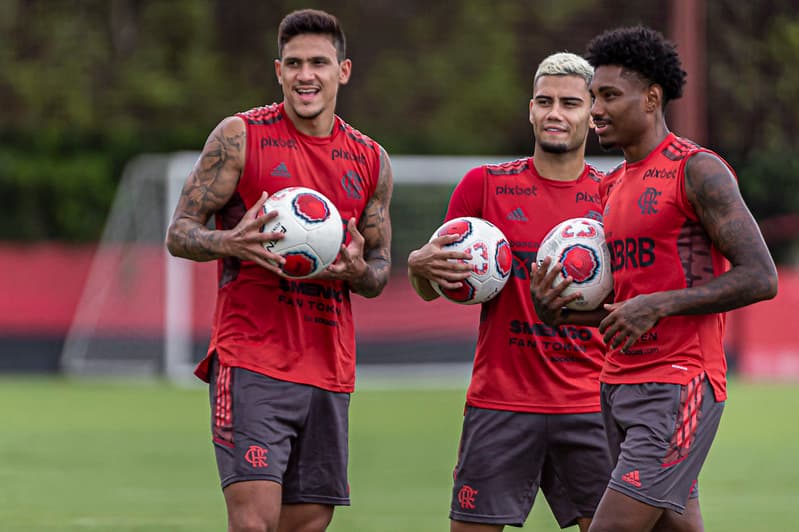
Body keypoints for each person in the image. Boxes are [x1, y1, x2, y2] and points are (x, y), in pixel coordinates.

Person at [530, 26, 778, 532]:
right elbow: (628, 306)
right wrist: (559, 313)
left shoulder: (697, 170)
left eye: (609, 96)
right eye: (594, 96)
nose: (596, 110)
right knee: (672, 527)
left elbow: (760, 276)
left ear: (651, 97)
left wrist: (659, 304)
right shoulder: (612, 186)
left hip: (680, 384)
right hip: (617, 383)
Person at [165, 9, 393, 532]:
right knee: (253, 523)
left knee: (309, 522)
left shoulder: (371, 160)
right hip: (252, 359)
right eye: (293, 63)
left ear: (343, 71)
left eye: (318, 63)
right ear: (278, 70)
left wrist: (357, 270)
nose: (305, 75)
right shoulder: (240, 137)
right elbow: (179, 232)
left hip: (328, 367)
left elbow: (379, 269)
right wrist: (232, 242)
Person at [407, 52, 612, 532]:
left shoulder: (614, 195)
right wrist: (419, 266)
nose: (555, 113)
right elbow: (433, 289)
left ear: (592, 114)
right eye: (544, 101)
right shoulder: (484, 186)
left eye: (570, 103)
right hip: (500, 403)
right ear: (530, 110)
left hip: (590, 404)